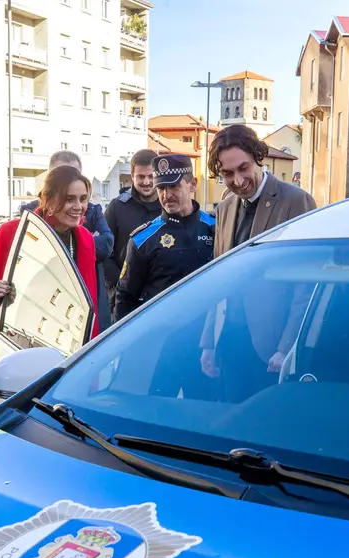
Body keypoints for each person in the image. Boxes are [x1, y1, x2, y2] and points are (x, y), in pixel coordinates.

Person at [199, 124, 318, 400]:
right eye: (227, 174)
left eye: (243, 168)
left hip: (272, 349)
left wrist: (287, 346)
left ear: (257, 157)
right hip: (230, 342)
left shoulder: (296, 202)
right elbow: (218, 278)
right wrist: (208, 342)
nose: (238, 180)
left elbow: (307, 284)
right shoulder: (226, 207)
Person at [113, 154, 216, 398]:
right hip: (161, 345)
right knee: (156, 411)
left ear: (192, 185)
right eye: (162, 188)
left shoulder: (216, 228)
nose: (167, 195)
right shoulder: (143, 239)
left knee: (205, 416)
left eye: (174, 186)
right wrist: (127, 347)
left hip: (206, 345)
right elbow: (125, 298)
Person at [0, 165, 101, 339]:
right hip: (27, 338)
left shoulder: (85, 238)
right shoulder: (12, 232)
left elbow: (90, 301)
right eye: (69, 199)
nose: (78, 206)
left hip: (75, 341)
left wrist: (91, 343)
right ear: (49, 201)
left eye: (83, 199)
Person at [19, 150, 114, 331]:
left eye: (74, 173)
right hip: (43, 311)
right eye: (62, 173)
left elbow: (107, 244)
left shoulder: (91, 210)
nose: (69, 180)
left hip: (86, 306)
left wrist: (80, 244)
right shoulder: (29, 213)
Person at [104, 149, 161, 307]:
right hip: (124, 298)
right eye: (141, 176)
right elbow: (105, 254)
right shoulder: (117, 207)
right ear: (132, 176)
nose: (147, 182)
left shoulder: (168, 206)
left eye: (151, 176)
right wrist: (121, 286)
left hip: (161, 295)